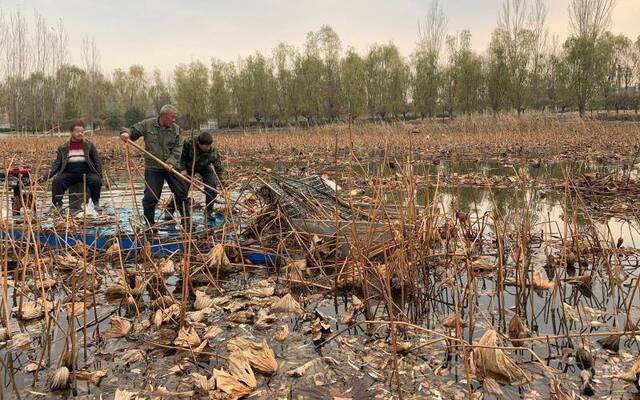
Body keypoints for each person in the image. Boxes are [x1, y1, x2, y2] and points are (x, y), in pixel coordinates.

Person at [120, 104, 189, 227]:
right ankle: (149, 224)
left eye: (175, 117)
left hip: (171, 168)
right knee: (151, 197)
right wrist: (126, 134)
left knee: (182, 194)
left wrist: (171, 162)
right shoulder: (147, 124)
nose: (174, 120)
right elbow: (133, 131)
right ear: (163, 116)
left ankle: (187, 223)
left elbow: (178, 148)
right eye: (172, 117)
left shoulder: (176, 129)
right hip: (153, 168)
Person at [41, 121, 103, 212]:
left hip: (87, 173)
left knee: (96, 180)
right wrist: (46, 176)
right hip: (69, 173)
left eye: (82, 132)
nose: (80, 134)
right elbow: (57, 164)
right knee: (57, 181)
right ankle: (57, 205)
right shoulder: (63, 147)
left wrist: (99, 175)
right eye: (77, 132)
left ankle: (95, 203)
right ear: (71, 132)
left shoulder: (89, 145)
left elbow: (97, 161)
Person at [165, 131, 225, 221]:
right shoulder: (189, 143)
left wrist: (223, 182)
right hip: (188, 167)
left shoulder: (213, 151)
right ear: (199, 144)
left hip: (204, 167)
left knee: (212, 189)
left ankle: (208, 212)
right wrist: (182, 168)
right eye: (205, 146)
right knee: (181, 190)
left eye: (209, 146)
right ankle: (169, 210)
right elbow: (179, 155)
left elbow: (218, 167)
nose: (208, 148)